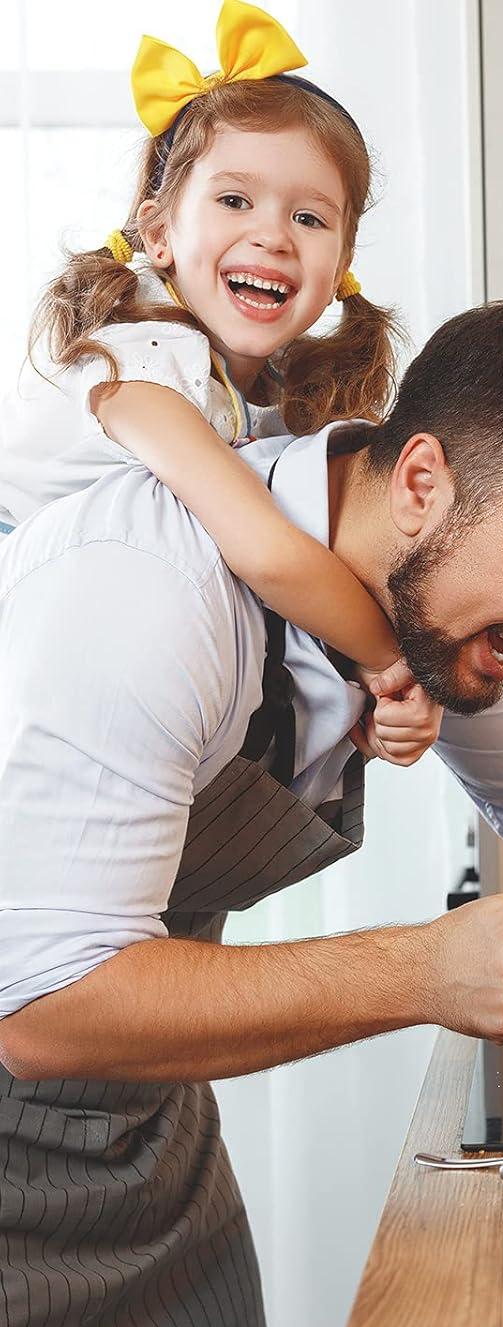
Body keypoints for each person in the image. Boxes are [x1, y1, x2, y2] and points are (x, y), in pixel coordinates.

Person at [0, 288, 503, 1327]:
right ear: (423, 482)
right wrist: (423, 969)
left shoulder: (430, 622)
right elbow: (45, 1006)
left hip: (147, 1154)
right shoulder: (151, 586)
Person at [0, 0, 441, 766]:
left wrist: (360, 701)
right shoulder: (135, 361)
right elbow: (268, 556)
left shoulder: (266, 407)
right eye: (235, 200)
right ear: (160, 233)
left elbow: (282, 590)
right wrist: (389, 663)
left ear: (339, 269)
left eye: (309, 217)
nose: (272, 233)